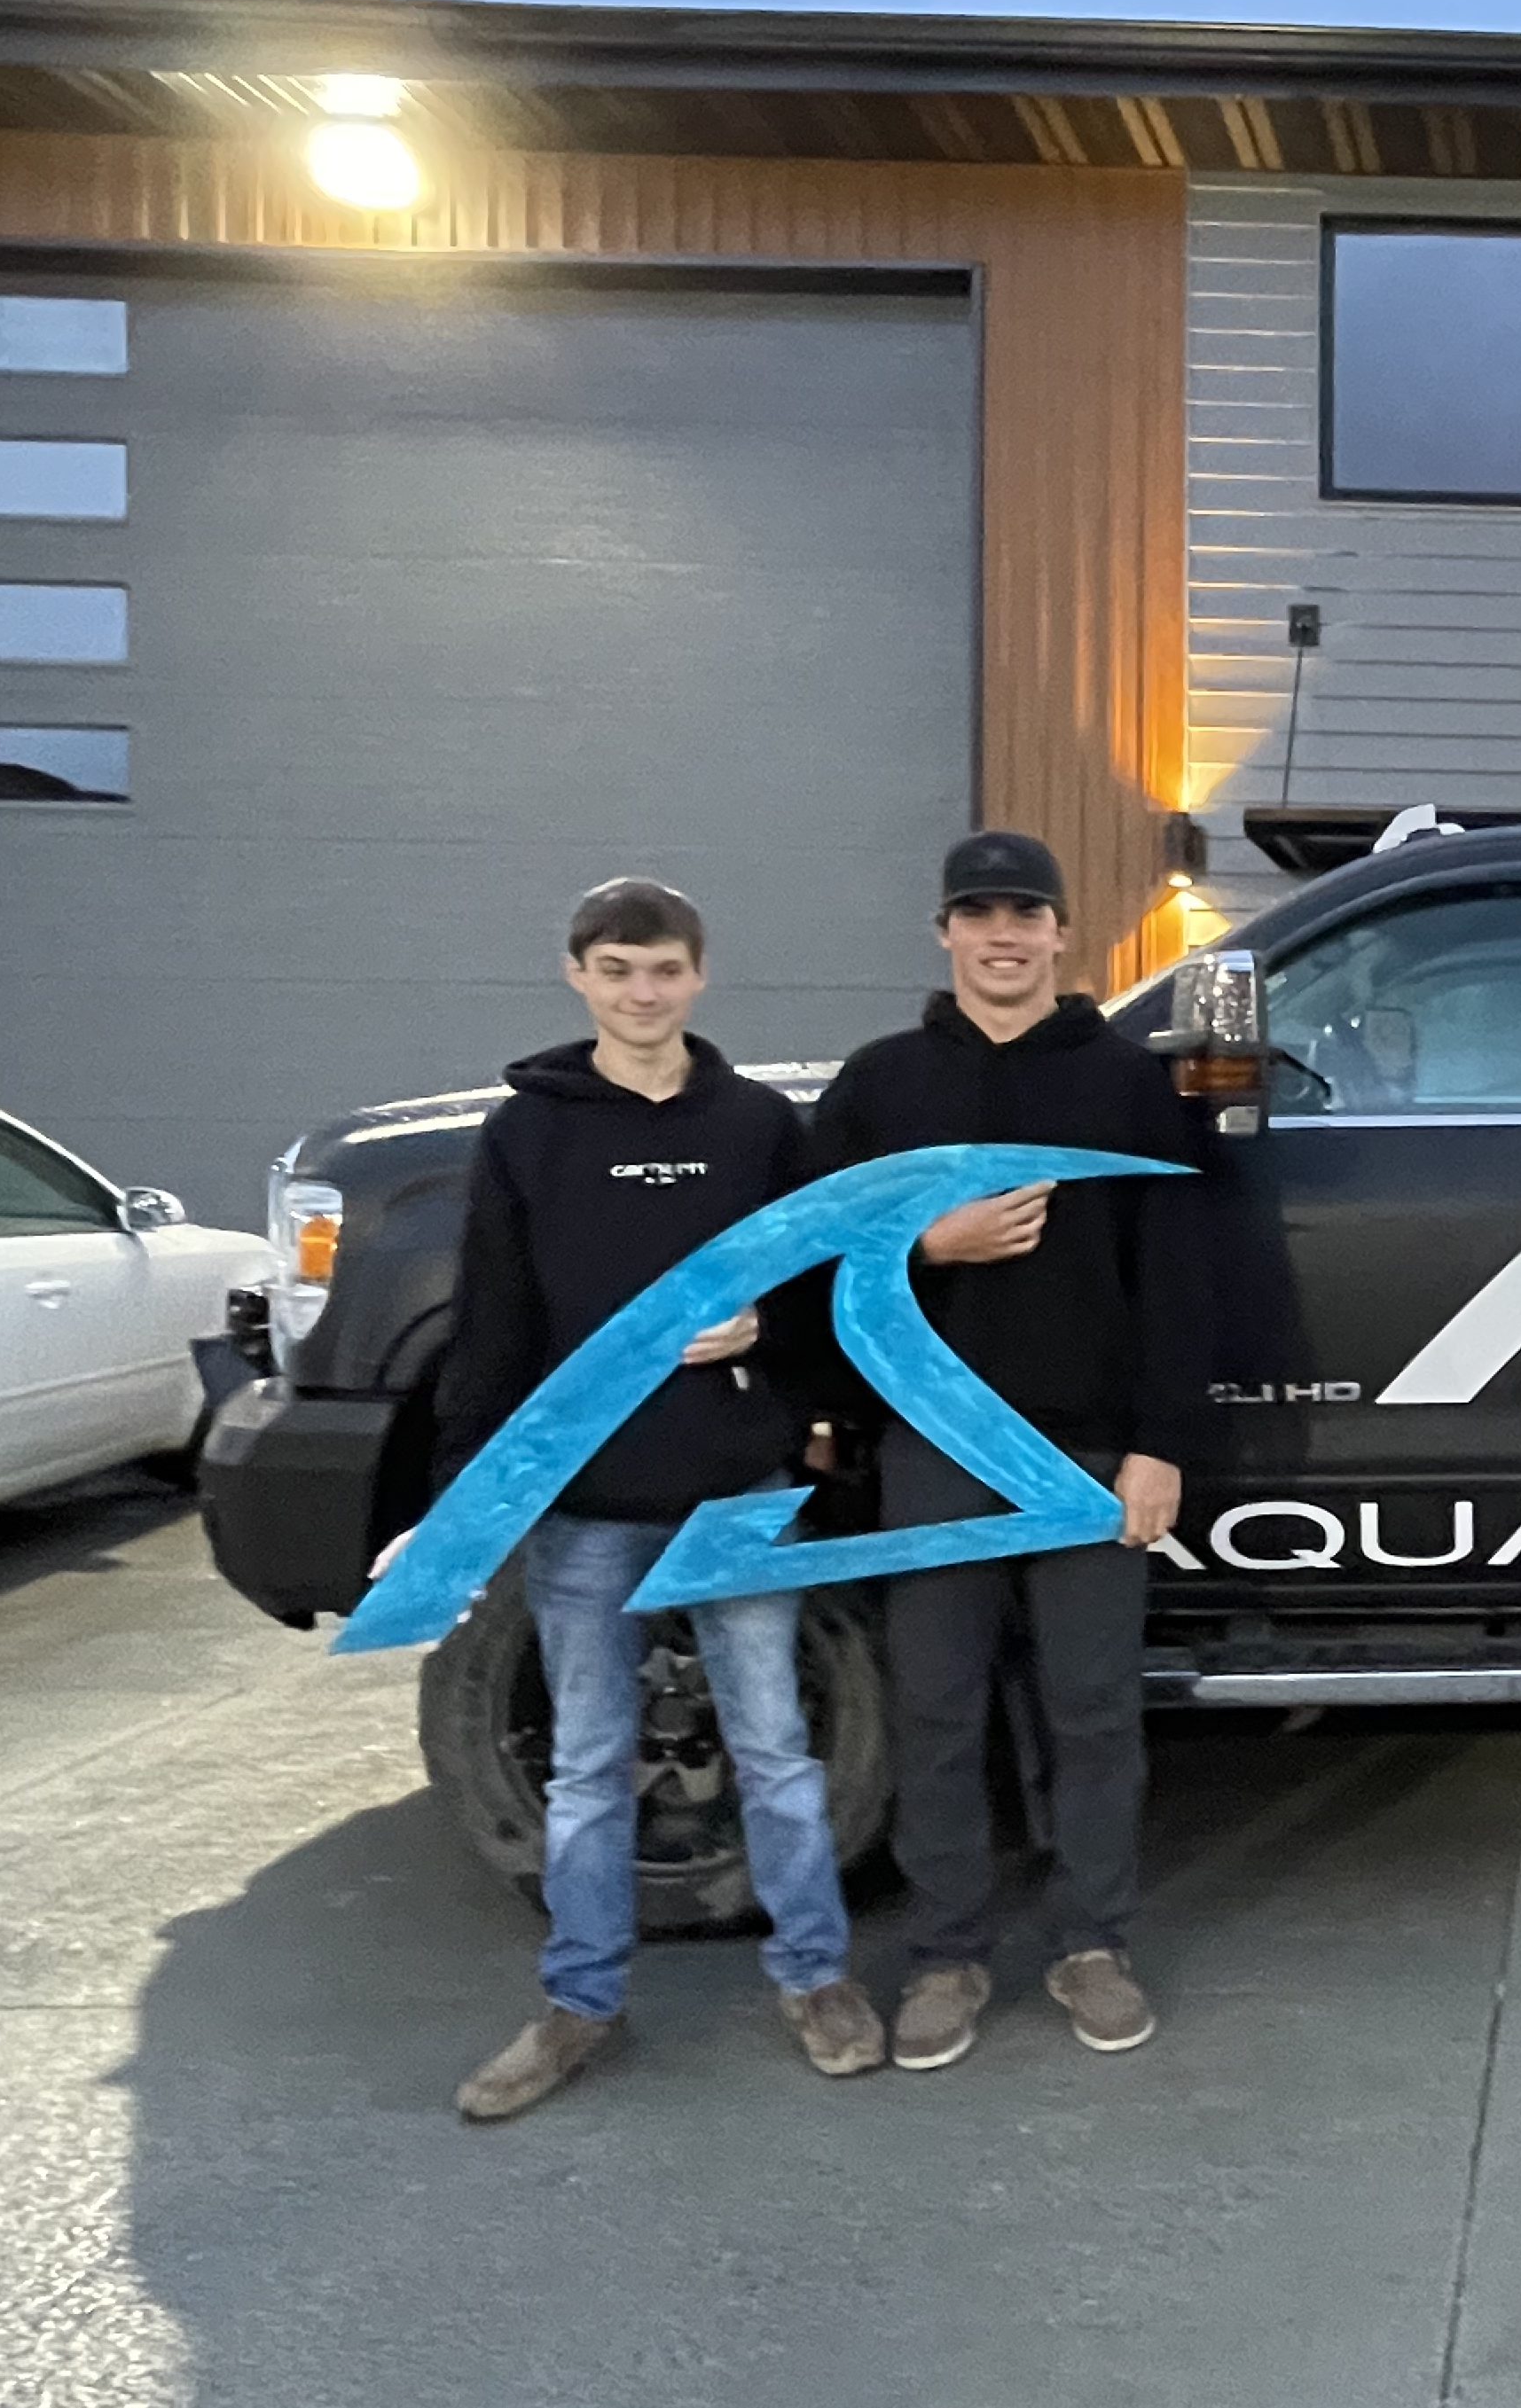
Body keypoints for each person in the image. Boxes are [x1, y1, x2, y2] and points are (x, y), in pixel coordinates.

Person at [419, 878, 884, 2122]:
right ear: (578, 975)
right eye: (618, 969)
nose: (643, 991)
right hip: (590, 1504)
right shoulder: (528, 1133)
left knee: (780, 1754)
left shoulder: (755, 1127)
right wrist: (471, 1497)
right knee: (585, 1768)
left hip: (736, 1492)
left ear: (698, 976)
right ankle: (579, 2004)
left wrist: (767, 1338)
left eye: (664, 969)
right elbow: (493, 1321)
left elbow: (824, 1287)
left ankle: (815, 1977)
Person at [809, 830, 1201, 2073]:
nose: (1003, 935)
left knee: (1092, 1709)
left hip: (1085, 1454)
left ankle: (1092, 1942)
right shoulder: (878, 1087)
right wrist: (928, 1246)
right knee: (935, 1708)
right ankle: (947, 1957)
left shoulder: (1132, 1086)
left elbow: (1180, 1284)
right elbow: (814, 1261)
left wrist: (1160, 1447)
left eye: (1025, 913)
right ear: (944, 933)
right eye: (978, 914)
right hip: (933, 1449)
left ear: (1061, 934)